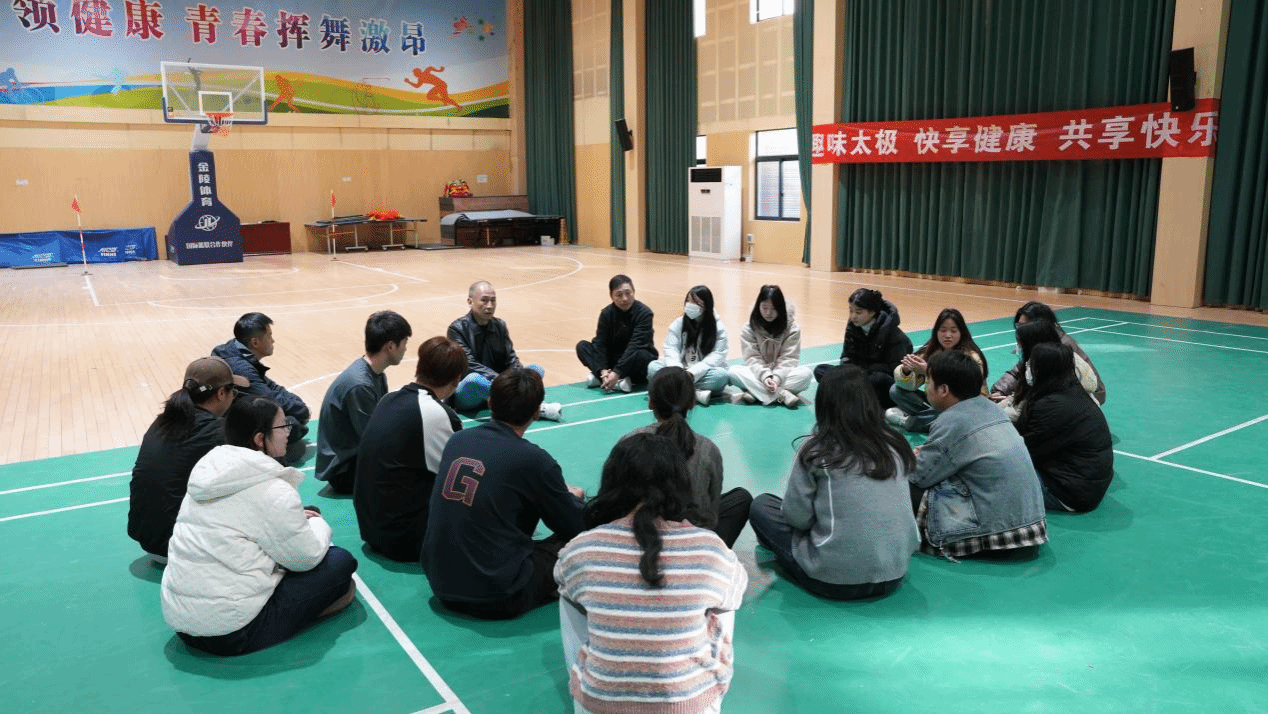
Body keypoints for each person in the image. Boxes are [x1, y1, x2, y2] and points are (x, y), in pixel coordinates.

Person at [556, 433, 747, 714]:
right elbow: (736, 591)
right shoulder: (710, 548)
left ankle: (594, 680)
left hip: (599, 705)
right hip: (689, 705)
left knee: (569, 593)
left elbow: (564, 576)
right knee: (722, 600)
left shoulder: (581, 549)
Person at [160, 397, 358, 656]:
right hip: (233, 632)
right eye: (282, 426)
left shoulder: (207, 475)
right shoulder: (272, 490)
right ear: (259, 438)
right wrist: (319, 523)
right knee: (340, 561)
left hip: (183, 623)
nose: (288, 432)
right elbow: (306, 558)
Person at [422, 368, 585, 620]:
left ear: (490, 403)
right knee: (581, 546)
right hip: (498, 594)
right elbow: (575, 526)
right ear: (536, 412)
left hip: (440, 581)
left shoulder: (458, 440)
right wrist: (572, 499)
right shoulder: (534, 460)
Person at [749, 366, 918, 600]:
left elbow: (796, 518)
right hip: (894, 573)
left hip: (832, 579)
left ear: (824, 407)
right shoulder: (895, 444)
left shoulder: (817, 449)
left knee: (762, 506)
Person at [908, 351, 1047, 559]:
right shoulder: (991, 407)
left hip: (996, 531)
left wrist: (911, 459)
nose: (926, 389)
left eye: (928, 383)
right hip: (1031, 525)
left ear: (944, 390)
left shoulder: (953, 421)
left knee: (900, 484)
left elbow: (919, 476)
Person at [354, 336, 467, 562]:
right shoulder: (437, 414)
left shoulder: (388, 399)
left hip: (370, 528)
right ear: (457, 379)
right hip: (406, 540)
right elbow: (461, 482)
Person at [128, 357, 246, 562]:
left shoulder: (161, 422)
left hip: (148, 541)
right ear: (221, 393)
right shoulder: (218, 431)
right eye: (233, 391)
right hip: (183, 549)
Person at [619, 367, 752, 547]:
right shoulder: (708, 449)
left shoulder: (629, 441)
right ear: (692, 403)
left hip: (639, 538)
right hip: (692, 545)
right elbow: (710, 516)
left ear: (651, 403)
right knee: (741, 499)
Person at [315, 310, 413, 495]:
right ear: (390, 346)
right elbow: (373, 439)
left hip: (354, 456)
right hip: (344, 470)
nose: (406, 349)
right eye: (404, 343)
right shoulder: (360, 385)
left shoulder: (374, 372)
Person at [1015, 343, 1114, 513]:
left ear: (1043, 369)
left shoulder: (1052, 406)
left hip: (1068, 493)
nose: (1028, 368)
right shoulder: (1073, 392)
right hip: (1087, 486)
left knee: (991, 472)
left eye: (1032, 364)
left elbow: (1025, 452)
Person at [447, 280, 562, 420]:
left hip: (500, 387)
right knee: (474, 379)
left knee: (536, 369)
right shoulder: (457, 329)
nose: (489, 306)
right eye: (484, 300)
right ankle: (531, 408)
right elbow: (469, 365)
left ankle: (515, 402)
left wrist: (519, 379)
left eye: (493, 300)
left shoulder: (500, 325)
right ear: (470, 302)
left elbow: (511, 358)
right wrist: (504, 382)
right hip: (472, 392)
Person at [212, 312, 312, 465]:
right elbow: (270, 402)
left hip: (233, 416)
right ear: (255, 343)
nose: (273, 340)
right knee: (292, 425)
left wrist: (298, 406)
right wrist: (301, 410)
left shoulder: (233, 350)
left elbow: (271, 386)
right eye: (269, 336)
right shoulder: (241, 368)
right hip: (228, 428)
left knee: (292, 415)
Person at [886, 308, 988, 433]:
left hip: (964, 406)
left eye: (953, 331)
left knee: (957, 417)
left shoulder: (971, 357)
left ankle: (911, 421)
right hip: (936, 403)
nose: (948, 335)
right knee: (896, 390)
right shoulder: (931, 351)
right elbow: (909, 386)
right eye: (943, 330)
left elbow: (964, 392)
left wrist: (929, 371)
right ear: (936, 332)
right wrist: (906, 370)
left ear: (961, 332)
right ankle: (933, 418)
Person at [990, 301, 1106, 405]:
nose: (1020, 330)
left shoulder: (1059, 349)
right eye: (1018, 325)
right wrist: (1000, 390)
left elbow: (1048, 390)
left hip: (1079, 401)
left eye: (1024, 325)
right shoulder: (1035, 343)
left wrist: (1011, 401)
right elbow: (1018, 371)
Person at [813, 288, 912, 409]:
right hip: (859, 375)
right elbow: (847, 355)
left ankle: (850, 398)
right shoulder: (853, 327)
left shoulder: (892, 333)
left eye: (858, 312)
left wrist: (862, 370)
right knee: (821, 370)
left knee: (878, 380)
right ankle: (854, 398)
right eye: (851, 311)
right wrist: (845, 369)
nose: (853, 316)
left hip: (880, 380)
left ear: (872, 312)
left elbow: (894, 369)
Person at [995, 319, 1100, 422]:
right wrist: (997, 405)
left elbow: (1021, 412)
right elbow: (1022, 394)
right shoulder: (1038, 361)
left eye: (1020, 342)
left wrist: (994, 411)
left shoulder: (1048, 367)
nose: (1018, 346)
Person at [728, 284, 813, 407]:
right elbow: (752, 358)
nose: (768, 313)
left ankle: (755, 392)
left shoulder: (792, 328)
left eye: (773, 309)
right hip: (759, 373)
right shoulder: (749, 327)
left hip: (782, 374)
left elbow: (789, 358)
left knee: (805, 375)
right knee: (733, 372)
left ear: (781, 308)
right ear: (758, 306)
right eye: (764, 308)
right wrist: (765, 377)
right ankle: (782, 394)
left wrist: (776, 378)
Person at [646, 285, 730, 406]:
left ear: (706, 305)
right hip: (678, 370)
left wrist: (691, 374)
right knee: (652, 367)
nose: (690, 305)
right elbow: (670, 348)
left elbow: (716, 356)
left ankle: (673, 391)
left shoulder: (718, 328)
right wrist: (677, 371)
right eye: (688, 300)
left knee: (721, 376)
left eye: (695, 302)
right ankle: (695, 393)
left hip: (700, 373)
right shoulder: (679, 323)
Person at [575, 274, 657, 393]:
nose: (625, 298)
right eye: (619, 295)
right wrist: (603, 370)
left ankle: (606, 380)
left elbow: (635, 345)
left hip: (634, 359)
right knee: (582, 347)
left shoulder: (644, 313)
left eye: (628, 293)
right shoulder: (606, 313)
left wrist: (617, 372)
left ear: (634, 292)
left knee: (642, 355)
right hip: (614, 360)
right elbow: (600, 343)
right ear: (611, 296)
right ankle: (610, 380)